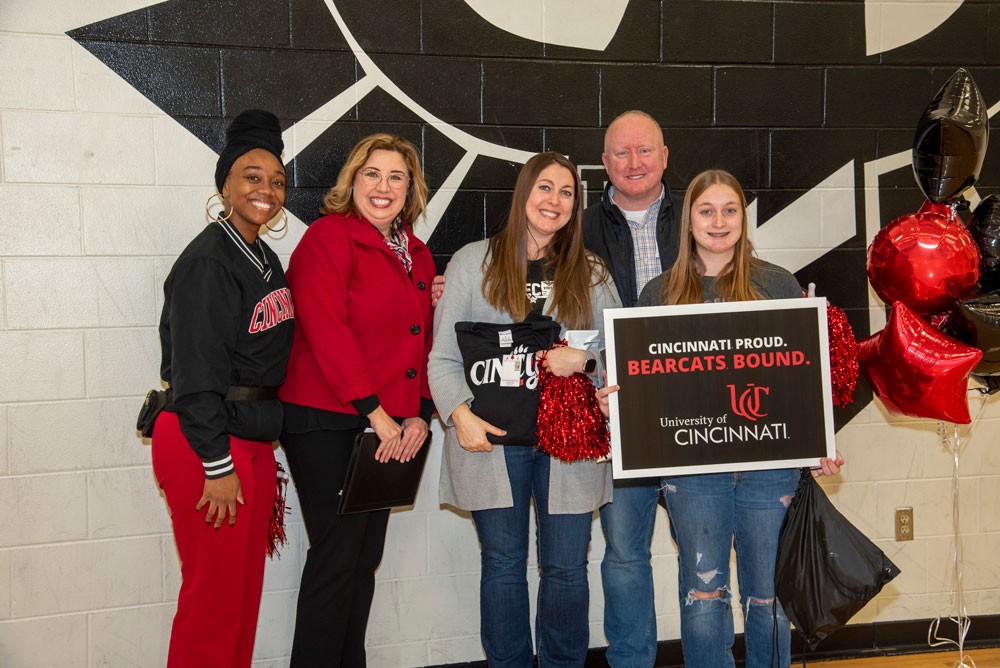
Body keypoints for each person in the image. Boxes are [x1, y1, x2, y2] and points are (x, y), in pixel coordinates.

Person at [633, 169, 844, 668]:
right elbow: (644, 383)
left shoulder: (776, 284)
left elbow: (803, 374)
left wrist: (819, 438)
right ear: (689, 221)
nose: (719, 221)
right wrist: (619, 401)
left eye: (730, 210)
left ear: (743, 221)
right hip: (693, 472)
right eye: (707, 211)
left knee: (769, 599)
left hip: (770, 468)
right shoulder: (659, 293)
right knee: (704, 596)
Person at [429, 152, 621, 668]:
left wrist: (587, 360)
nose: (553, 200)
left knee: (564, 569)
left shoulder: (593, 273)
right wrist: (458, 415)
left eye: (565, 192)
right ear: (523, 194)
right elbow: (442, 358)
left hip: (570, 446)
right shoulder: (474, 263)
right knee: (504, 565)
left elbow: (622, 355)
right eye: (544, 187)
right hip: (492, 443)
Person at [278, 133, 435, 667]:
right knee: (336, 557)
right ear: (352, 180)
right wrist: (377, 413)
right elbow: (327, 331)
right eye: (372, 174)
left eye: (396, 177)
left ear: (411, 189)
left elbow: (422, 338)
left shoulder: (415, 251)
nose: (383, 186)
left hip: (385, 425)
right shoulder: (327, 237)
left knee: (363, 558)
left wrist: (420, 414)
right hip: (328, 419)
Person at [152, 109, 294, 668]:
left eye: (277, 180)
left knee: (241, 598)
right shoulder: (210, 261)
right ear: (225, 185)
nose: (267, 189)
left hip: (249, 442)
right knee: (212, 602)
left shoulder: (262, 257)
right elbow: (193, 376)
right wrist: (216, 464)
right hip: (205, 442)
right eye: (252, 177)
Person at [583, 110, 680, 668]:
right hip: (617, 415)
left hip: (695, 412)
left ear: (665, 156)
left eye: (645, 151)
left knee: (705, 551)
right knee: (624, 555)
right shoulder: (580, 226)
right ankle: (630, 661)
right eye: (622, 153)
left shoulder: (700, 214)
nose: (634, 162)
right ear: (605, 163)